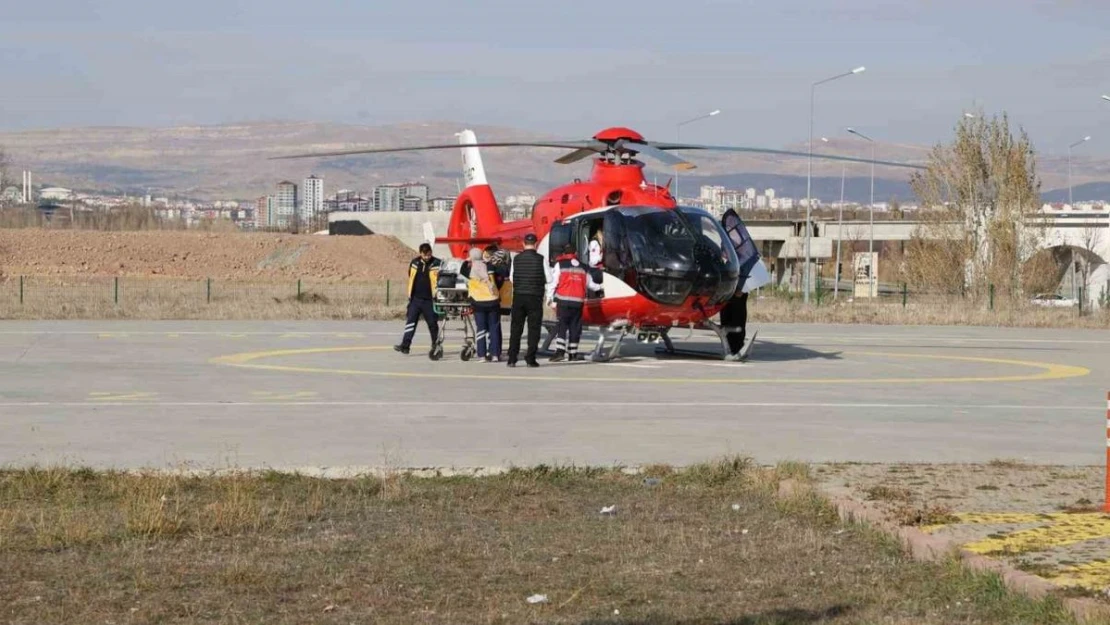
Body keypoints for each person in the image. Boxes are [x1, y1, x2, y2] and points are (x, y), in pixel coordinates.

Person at [506, 233, 546, 368]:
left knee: (516, 328)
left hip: (519, 296)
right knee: (533, 329)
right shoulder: (541, 259)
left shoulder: (516, 259)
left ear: (523, 244)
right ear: (536, 243)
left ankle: (512, 358)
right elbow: (550, 279)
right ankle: (530, 358)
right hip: (535, 296)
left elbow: (511, 278)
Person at [394, 242, 441, 355]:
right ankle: (405, 346)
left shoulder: (437, 263)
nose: (427, 257)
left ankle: (436, 345)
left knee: (432, 324)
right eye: (424, 255)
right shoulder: (414, 263)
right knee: (410, 322)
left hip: (430, 300)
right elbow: (410, 276)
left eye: (429, 254)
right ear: (420, 253)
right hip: (415, 299)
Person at [546, 242, 588, 362]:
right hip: (578, 302)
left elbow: (553, 283)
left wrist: (549, 298)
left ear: (564, 253)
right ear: (576, 253)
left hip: (563, 301)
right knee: (575, 327)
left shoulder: (560, 264)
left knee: (562, 326)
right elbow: (591, 284)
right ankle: (573, 353)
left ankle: (560, 352)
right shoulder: (584, 267)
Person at [465, 247, 502, 362]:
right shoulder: (491, 267)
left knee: (481, 328)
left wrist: (468, 260)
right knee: (494, 328)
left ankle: (482, 355)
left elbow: (462, 268)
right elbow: (499, 281)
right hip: (493, 301)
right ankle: (495, 354)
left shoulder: (470, 270)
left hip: (478, 302)